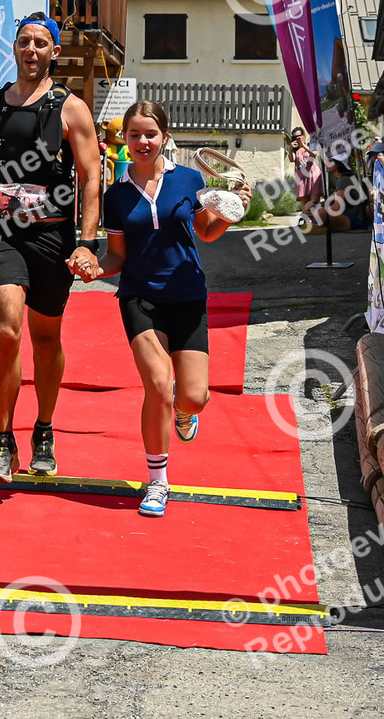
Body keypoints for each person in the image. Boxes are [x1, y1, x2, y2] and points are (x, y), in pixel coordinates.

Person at [0, 12, 102, 481]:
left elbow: (91, 177)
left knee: (46, 338)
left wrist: (88, 243)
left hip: (51, 236)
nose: (31, 49)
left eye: (40, 43)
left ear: (54, 52)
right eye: (24, 41)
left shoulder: (70, 108)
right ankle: (3, 438)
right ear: (15, 48)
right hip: (2, 235)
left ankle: (43, 429)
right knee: (7, 330)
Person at [96, 101, 249, 518]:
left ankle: (185, 414)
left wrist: (232, 212)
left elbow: (206, 232)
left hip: (188, 295)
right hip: (139, 297)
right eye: (134, 134)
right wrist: (94, 269)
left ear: (165, 136)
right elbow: (116, 256)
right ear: (124, 139)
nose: (142, 141)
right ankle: (158, 481)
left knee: (193, 398)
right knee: (159, 386)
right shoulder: (115, 195)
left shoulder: (189, 179)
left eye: (150, 134)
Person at [304, 157, 373, 234]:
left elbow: (337, 207)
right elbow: (330, 200)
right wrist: (313, 205)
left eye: (330, 161)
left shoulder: (344, 179)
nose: (326, 163)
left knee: (320, 212)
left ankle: (325, 225)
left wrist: (316, 212)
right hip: (353, 217)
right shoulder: (344, 178)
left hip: (354, 219)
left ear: (338, 164)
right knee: (312, 208)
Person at [290, 128, 322, 219]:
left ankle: (318, 220)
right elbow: (292, 160)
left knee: (314, 202)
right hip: (301, 176)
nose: (297, 139)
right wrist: (290, 149)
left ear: (304, 136)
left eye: (299, 136)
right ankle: (308, 221)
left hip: (313, 174)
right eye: (294, 137)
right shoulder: (295, 149)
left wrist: (303, 145)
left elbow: (314, 154)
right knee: (305, 203)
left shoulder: (310, 145)